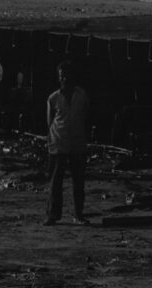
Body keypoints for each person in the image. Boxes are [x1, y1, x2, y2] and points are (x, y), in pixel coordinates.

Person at [43, 60, 89, 226]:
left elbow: (84, 116)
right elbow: (50, 122)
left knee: (78, 182)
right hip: (58, 143)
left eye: (67, 75)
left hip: (77, 143)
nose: (65, 79)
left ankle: (78, 214)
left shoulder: (82, 95)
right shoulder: (53, 98)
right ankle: (52, 215)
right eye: (62, 76)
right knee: (55, 182)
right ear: (59, 78)